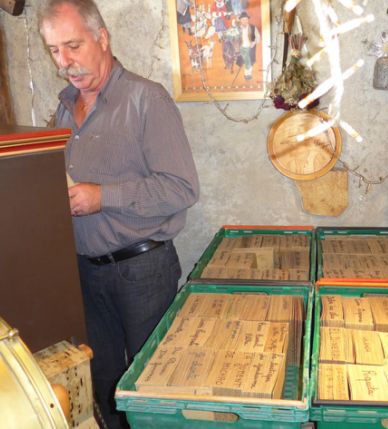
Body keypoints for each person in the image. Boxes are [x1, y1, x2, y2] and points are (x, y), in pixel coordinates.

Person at [38, 1, 199, 427]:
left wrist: (102, 197)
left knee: (151, 389)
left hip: (142, 270)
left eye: (73, 46)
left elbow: (182, 188)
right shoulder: (63, 108)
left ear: (102, 38)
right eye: (54, 50)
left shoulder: (147, 99)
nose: (63, 61)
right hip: (85, 273)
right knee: (105, 384)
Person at [237, 11, 260, 80]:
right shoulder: (237, 28)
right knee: (246, 60)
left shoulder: (253, 27)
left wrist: (254, 42)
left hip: (250, 47)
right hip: (241, 48)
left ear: (248, 20)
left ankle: (247, 74)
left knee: (248, 60)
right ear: (240, 20)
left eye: (246, 19)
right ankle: (248, 74)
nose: (245, 21)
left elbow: (258, 37)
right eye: (243, 19)